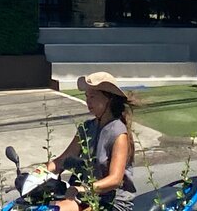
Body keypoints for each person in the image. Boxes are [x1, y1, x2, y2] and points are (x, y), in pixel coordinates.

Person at [45, 72, 136, 211]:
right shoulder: (86, 128)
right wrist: (37, 173)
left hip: (111, 202)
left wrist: (83, 189)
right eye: (86, 96)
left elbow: (115, 179)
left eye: (93, 96)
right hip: (86, 196)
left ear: (108, 99)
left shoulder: (119, 133)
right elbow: (62, 160)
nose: (88, 101)